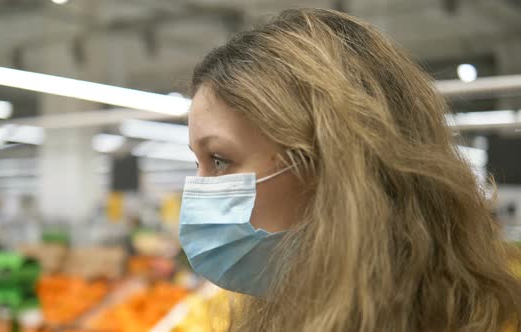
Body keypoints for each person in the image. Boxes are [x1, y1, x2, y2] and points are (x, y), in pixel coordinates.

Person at [178, 8, 521, 332]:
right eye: (198, 162)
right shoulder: (283, 311)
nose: (196, 190)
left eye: (220, 160)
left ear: (330, 165)